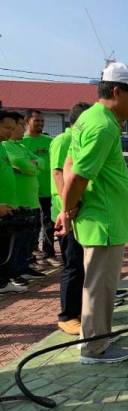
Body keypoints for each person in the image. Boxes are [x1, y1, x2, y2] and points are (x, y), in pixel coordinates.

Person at [55, 61, 128, 364]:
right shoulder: (103, 125)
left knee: (98, 282)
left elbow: (70, 162)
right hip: (103, 219)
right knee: (100, 284)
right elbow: (77, 176)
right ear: (115, 91)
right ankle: (95, 347)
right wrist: (67, 210)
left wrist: (66, 209)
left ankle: (98, 334)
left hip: (99, 217)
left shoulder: (87, 119)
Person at [49, 103, 92, 334]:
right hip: (66, 210)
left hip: (76, 209)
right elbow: (58, 172)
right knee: (72, 263)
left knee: (80, 262)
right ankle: (67, 315)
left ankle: (78, 309)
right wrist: (67, 208)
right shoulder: (64, 140)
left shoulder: (79, 139)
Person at [3, 112, 47, 285]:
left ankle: (24, 266)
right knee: (16, 241)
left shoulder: (21, 146)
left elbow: (39, 163)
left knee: (30, 237)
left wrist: (33, 165)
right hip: (17, 201)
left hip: (32, 200)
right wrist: (32, 165)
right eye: (20, 125)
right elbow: (26, 166)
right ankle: (13, 273)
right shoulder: (7, 146)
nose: (22, 129)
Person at [22, 110, 59, 267]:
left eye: (42, 121)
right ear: (27, 121)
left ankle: (49, 254)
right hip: (28, 192)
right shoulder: (21, 142)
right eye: (36, 120)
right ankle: (30, 257)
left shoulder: (50, 141)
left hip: (47, 190)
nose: (40, 123)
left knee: (49, 224)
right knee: (31, 225)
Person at [0, 110, 26, 294]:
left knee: (5, 251)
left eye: (12, 127)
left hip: (7, 206)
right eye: (6, 127)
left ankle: (2, 282)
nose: (10, 131)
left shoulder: (3, 147)